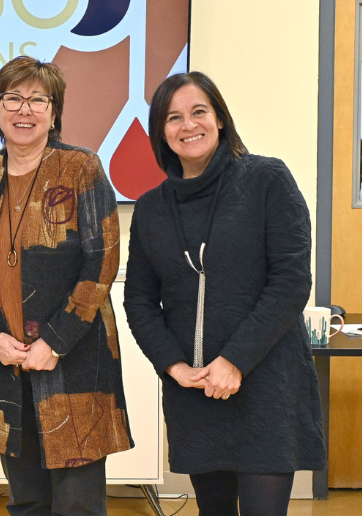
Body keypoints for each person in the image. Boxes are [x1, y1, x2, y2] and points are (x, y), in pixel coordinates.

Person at [124, 72, 326, 516]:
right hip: (194, 390)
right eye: (173, 117)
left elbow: (291, 280)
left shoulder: (267, 179)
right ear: (161, 131)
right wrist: (174, 366)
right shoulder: (151, 208)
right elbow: (139, 300)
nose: (188, 125)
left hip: (265, 382)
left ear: (219, 118)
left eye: (199, 111)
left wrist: (234, 362)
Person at [0, 56, 134, 516]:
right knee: (26, 500)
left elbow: (102, 261)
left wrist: (54, 342)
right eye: (13, 98)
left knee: (77, 503)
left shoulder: (82, 168)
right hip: (5, 361)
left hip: (73, 360)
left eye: (38, 99)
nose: (25, 109)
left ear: (54, 113)